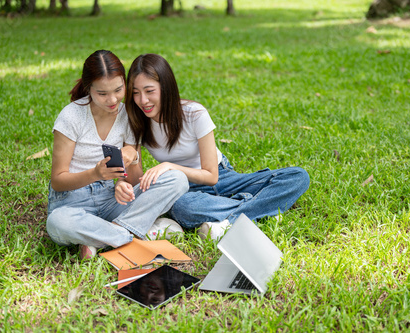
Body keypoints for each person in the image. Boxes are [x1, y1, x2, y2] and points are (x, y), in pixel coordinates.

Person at [124, 53, 310, 240]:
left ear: (166, 87)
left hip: (222, 177)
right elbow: (135, 184)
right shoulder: (137, 122)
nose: (143, 101)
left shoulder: (194, 114)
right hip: (184, 189)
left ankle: (228, 218)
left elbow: (211, 176)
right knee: (182, 208)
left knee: (298, 177)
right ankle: (258, 207)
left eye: (149, 91)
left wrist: (170, 166)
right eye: (136, 93)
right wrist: (133, 157)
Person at [46, 50, 188, 259]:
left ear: (125, 83)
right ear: (89, 89)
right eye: (102, 93)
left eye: (118, 90)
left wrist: (130, 163)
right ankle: (133, 233)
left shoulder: (128, 115)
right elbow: (58, 181)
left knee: (177, 179)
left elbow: (130, 180)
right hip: (71, 203)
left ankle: (101, 237)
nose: (112, 99)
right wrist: (95, 173)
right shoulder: (71, 116)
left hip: (109, 200)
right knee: (58, 222)